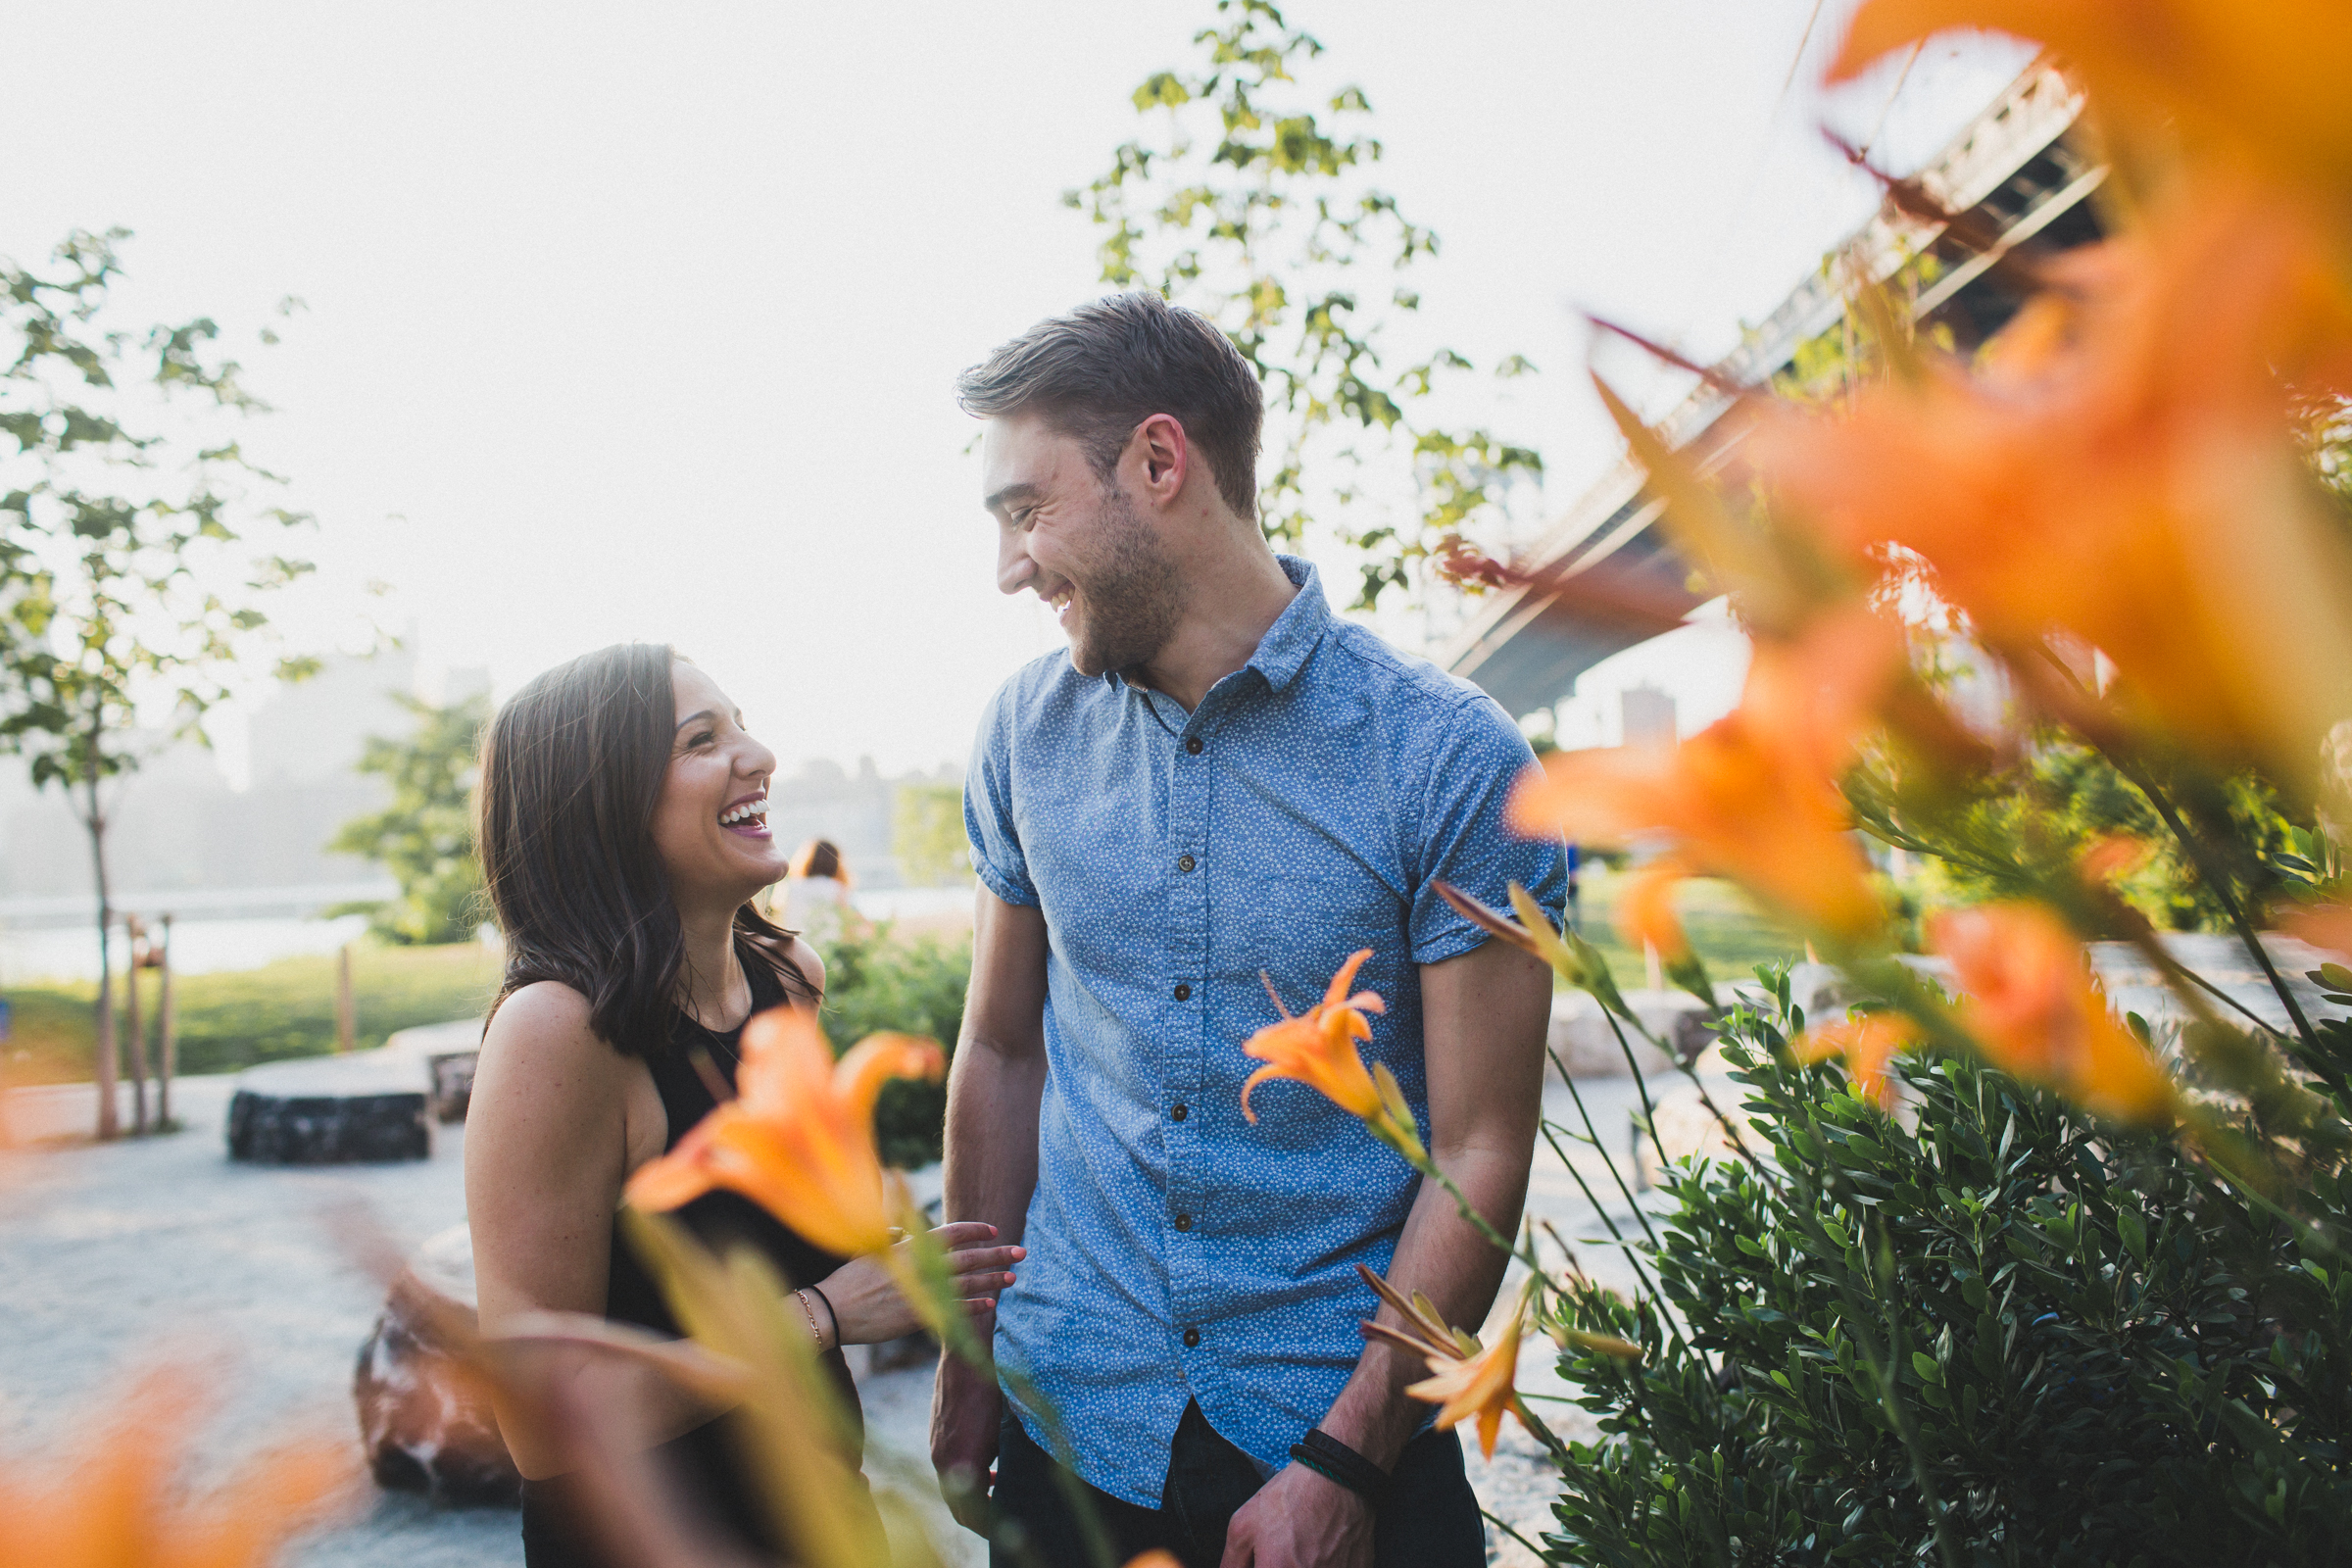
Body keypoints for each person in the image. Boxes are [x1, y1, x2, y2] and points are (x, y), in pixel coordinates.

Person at [931, 293, 1566, 1568]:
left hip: (1343, 1438)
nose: (1009, 567)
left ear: (1159, 465)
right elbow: (1003, 1055)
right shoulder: (1020, 735)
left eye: (1025, 509)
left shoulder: (1451, 760)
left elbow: (1484, 1145)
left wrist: (1348, 1460)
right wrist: (969, 1365)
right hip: (1074, 1422)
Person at [465, 643, 1021, 1568]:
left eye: (742, 724)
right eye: (701, 740)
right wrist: (822, 1315)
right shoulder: (554, 1034)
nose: (757, 756)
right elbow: (543, 1420)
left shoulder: (788, 980)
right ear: (604, 804)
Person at [779, 837, 854, 948]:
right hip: (829, 949)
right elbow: (849, 924)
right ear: (835, 862)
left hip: (796, 946)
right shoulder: (837, 888)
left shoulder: (790, 887)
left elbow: (780, 919)